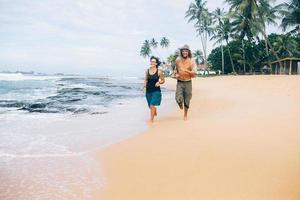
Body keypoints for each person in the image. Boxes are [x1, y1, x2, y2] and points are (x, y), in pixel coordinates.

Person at [174, 45, 197, 120]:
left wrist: (186, 70)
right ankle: (180, 104)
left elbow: (194, 73)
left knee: (187, 99)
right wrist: (176, 74)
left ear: (188, 52)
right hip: (179, 82)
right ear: (181, 52)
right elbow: (176, 69)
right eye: (183, 51)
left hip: (188, 82)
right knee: (178, 98)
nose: (184, 52)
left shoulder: (192, 61)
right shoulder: (178, 60)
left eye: (186, 51)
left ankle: (185, 115)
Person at [144, 56, 165, 123]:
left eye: (153, 61)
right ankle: (154, 110)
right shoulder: (147, 70)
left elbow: (163, 80)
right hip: (148, 90)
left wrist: (159, 82)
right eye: (151, 61)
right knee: (150, 106)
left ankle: (151, 120)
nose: (152, 62)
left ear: (156, 63)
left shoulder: (159, 72)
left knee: (152, 105)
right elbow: (146, 80)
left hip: (156, 91)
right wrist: (144, 87)